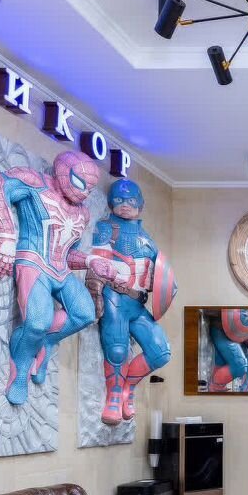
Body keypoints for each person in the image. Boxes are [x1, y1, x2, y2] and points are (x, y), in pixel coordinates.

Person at [0, 151, 128, 405]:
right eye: (81, 183)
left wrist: (91, 261)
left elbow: (68, 254)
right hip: (33, 261)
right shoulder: (35, 183)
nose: (84, 192)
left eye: (90, 188)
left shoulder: (82, 213)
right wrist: (5, 234)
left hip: (60, 269)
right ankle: (21, 367)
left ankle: (44, 343)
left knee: (85, 313)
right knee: (37, 322)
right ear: (62, 171)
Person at [87, 179, 174, 423]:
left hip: (138, 303)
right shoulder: (106, 228)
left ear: (140, 204)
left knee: (160, 352)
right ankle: (113, 397)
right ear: (110, 202)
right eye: (119, 200)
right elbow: (97, 262)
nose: (125, 205)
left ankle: (127, 388)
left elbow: (159, 275)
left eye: (131, 200)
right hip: (114, 296)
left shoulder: (147, 239)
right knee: (117, 350)